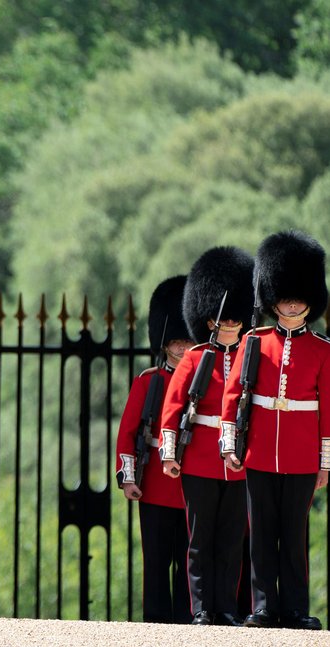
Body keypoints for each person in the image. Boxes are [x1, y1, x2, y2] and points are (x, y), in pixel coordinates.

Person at [220, 230, 330, 630]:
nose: (292, 301)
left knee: (294, 537)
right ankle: (264, 606)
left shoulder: (322, 350)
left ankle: (295, 609)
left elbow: (328, 412)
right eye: (284, 294)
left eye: (299, 294)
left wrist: (325, 463)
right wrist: (230, 443)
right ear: (272, 295)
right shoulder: (255, 341)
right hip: (261, 452)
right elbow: (233, 398)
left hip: (302, 456)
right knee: (262, 535)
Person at [159, 246, 254, 626]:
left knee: (231, 543)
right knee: (200, 543)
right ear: (209, 321)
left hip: (240, 465)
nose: (229, 325)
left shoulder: (252, 354)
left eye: (234, 320)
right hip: (199, 458)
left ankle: (226, 609)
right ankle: (202, 609)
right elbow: (172, 410)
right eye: (222, 320)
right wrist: (169, 454)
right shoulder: (196, 358)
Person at [114, 275, 193, 623]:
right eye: (174, 340)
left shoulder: (202, 381)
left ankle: (187, 622)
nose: (180, 347)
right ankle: (157, 625)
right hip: (157, 489)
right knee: (157, 563)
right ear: (163, 342)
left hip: (193, 486)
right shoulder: (149, 381)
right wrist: (129, 479)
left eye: (186, 340)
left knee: (189, 565)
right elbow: (128, 435)